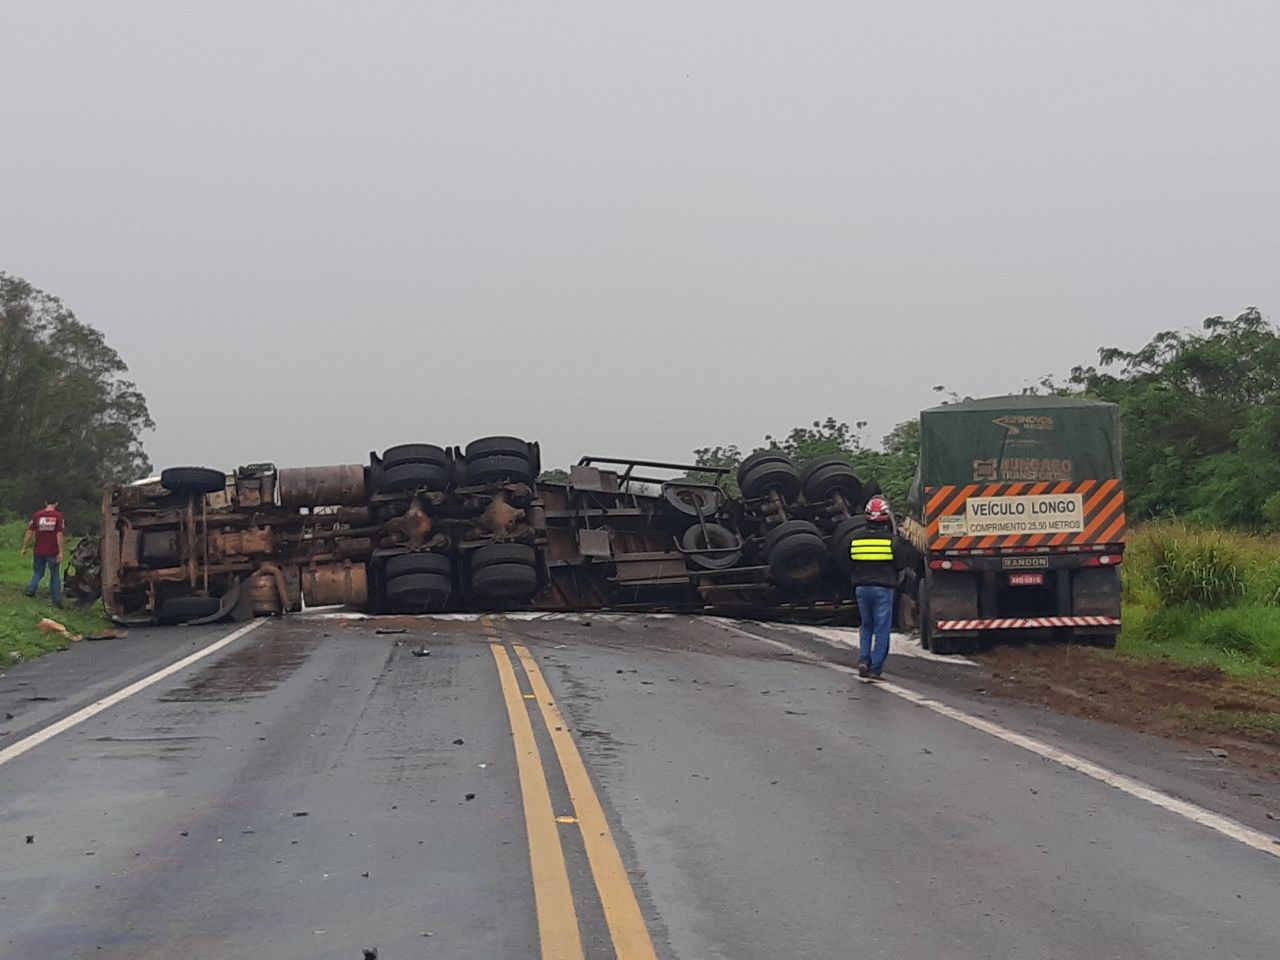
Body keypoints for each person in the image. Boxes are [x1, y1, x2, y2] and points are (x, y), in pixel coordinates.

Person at [848, 496, 908, 679]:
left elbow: (851, 561)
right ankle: (875, 668)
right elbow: (900, 564)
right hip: (883, 588)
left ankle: (864, 660)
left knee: (866, 625)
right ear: (886, 517)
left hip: (861, 588)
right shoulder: (892, 541)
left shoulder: (856, 539)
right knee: (882, 628)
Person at [21, 499, 65, 608]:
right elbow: (59, 534)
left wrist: (24, 547)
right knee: (55, 575)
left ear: (45, 503)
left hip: (39, 550)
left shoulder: (37, 515)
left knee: (38, 572)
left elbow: (29, 531)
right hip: (52, 551)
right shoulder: (58, 516)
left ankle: (31, 590)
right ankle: (56, 600)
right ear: (56, 503)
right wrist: (61, 551)